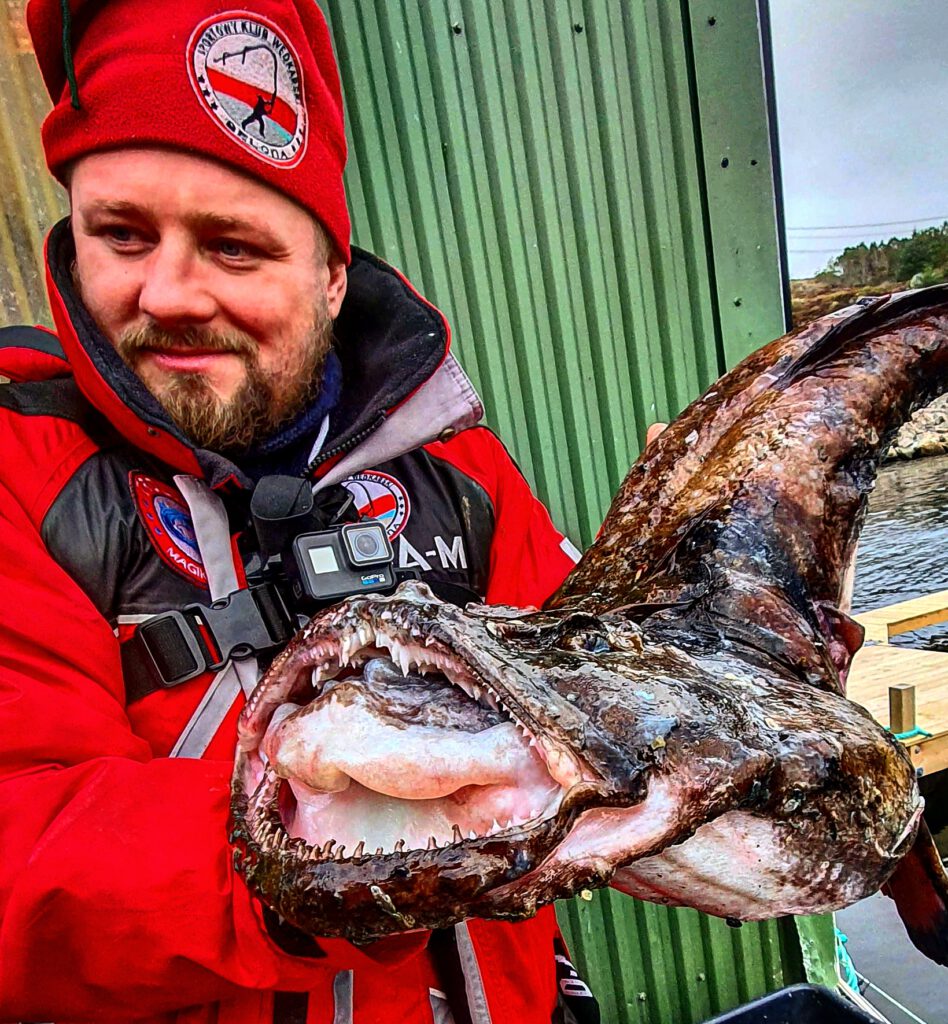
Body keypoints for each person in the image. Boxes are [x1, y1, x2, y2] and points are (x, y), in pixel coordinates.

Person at [0, 1, 601, 1022]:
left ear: (331, 277)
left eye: (235, 246)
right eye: (124, 234)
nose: (174, 293)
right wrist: (300, 846)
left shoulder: (463, 467)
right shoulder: (24, 474)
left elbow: (603, 713)